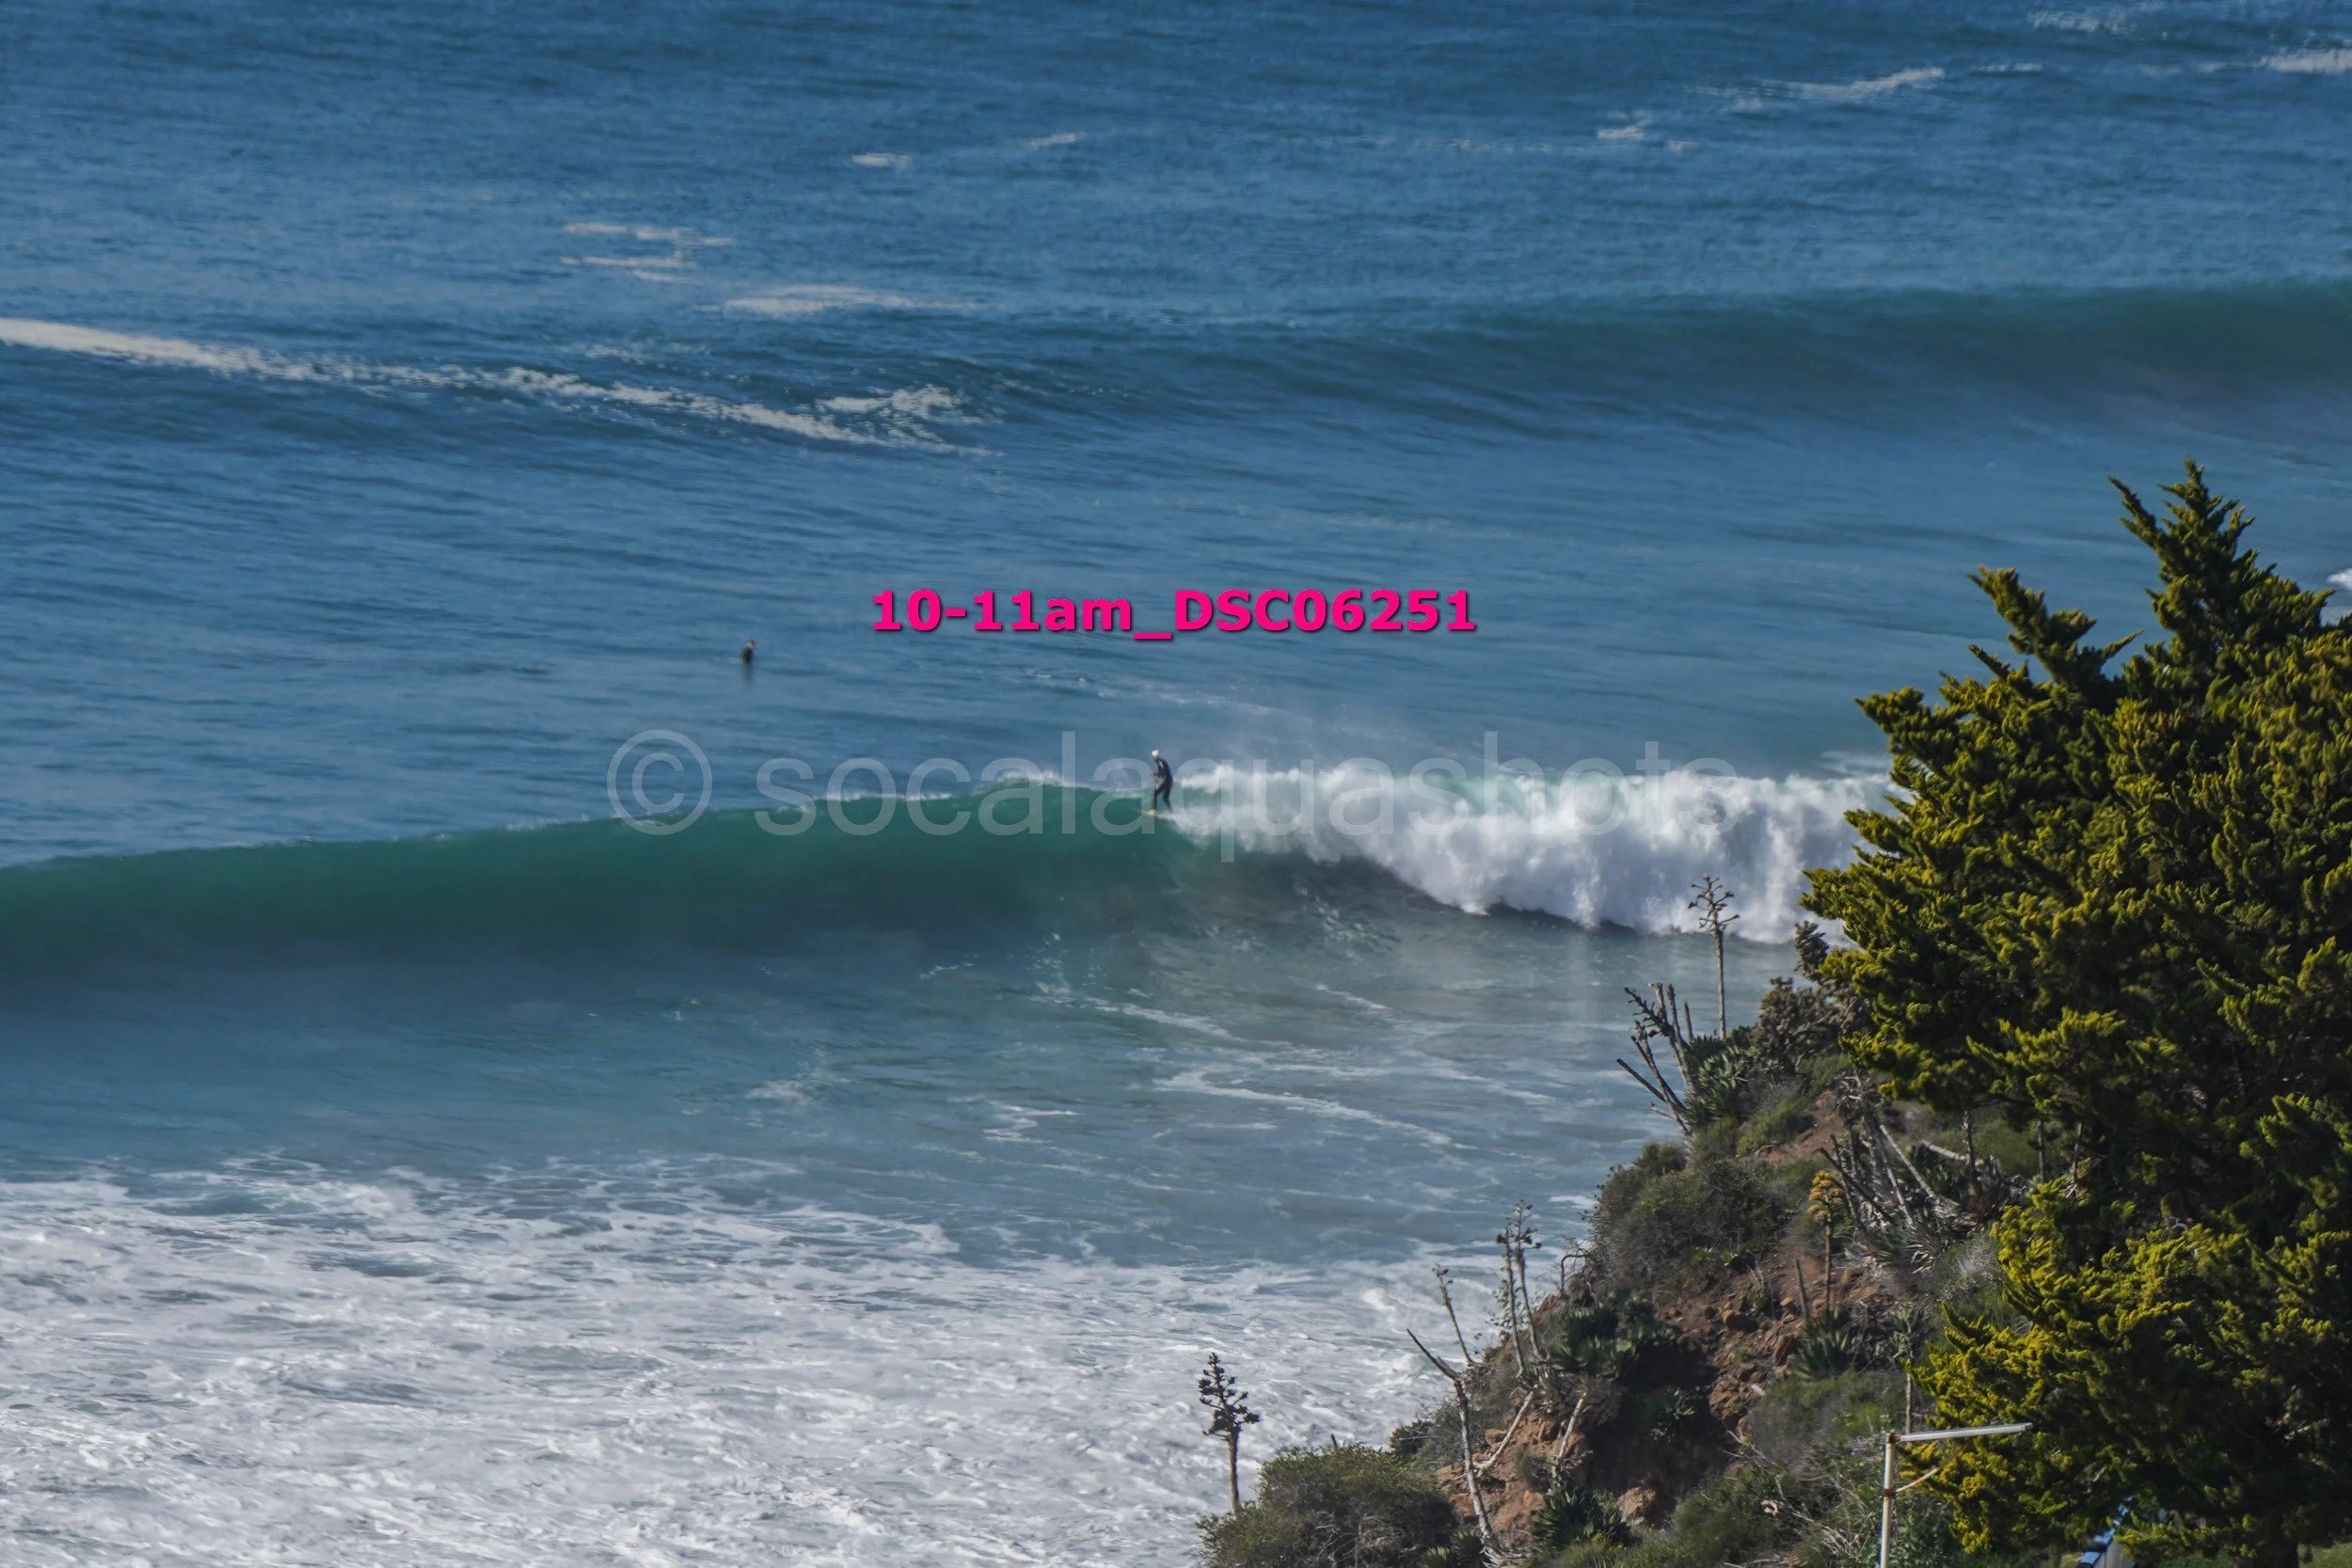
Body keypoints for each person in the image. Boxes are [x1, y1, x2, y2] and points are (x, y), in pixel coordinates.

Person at [1150, 750, 1173, 814]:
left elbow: (1164, 771)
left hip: (1165, 781)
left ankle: (1153, 811)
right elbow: (1164, 772)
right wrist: (1158, 777)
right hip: (1169, 781)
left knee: (1154, 794)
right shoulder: (1162, 761)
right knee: (1165, 798)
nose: (1152, 758)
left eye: (1152, 756)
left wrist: (1155, 774)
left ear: (1155, 756)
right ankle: (1172, 812)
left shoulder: (1160, 761)